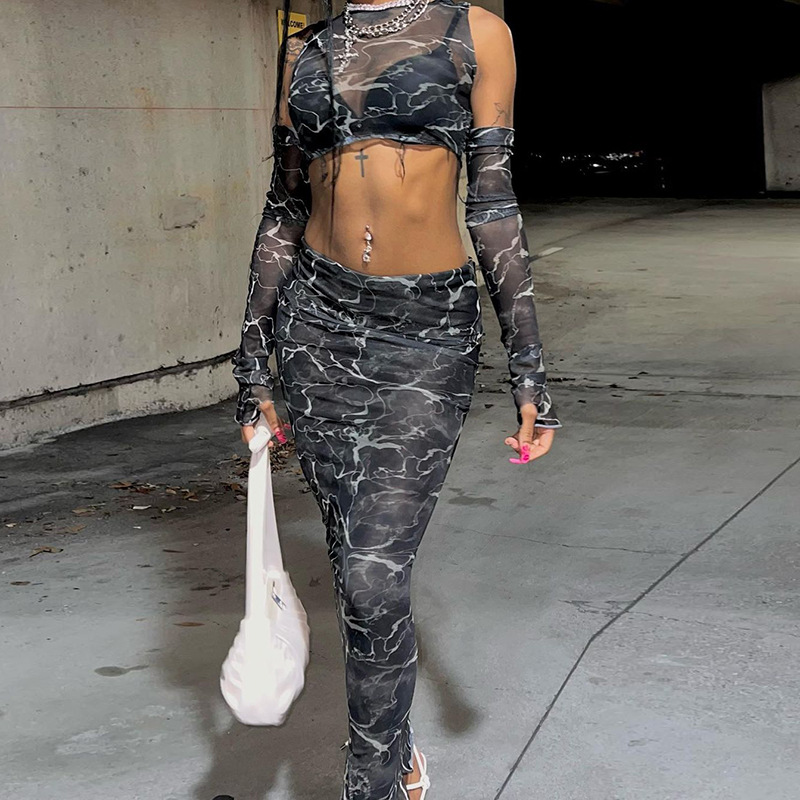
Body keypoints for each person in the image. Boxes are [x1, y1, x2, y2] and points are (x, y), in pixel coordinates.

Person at [231, 1, 562, 797]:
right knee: (356, 573)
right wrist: (252, 363)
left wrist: (528, 368)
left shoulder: (474, 32)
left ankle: (371, 780)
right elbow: (284, 208)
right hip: (316, 326)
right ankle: (395, 754)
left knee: (373, 577)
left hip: (425, 333)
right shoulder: (304, 49)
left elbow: (492, 204)